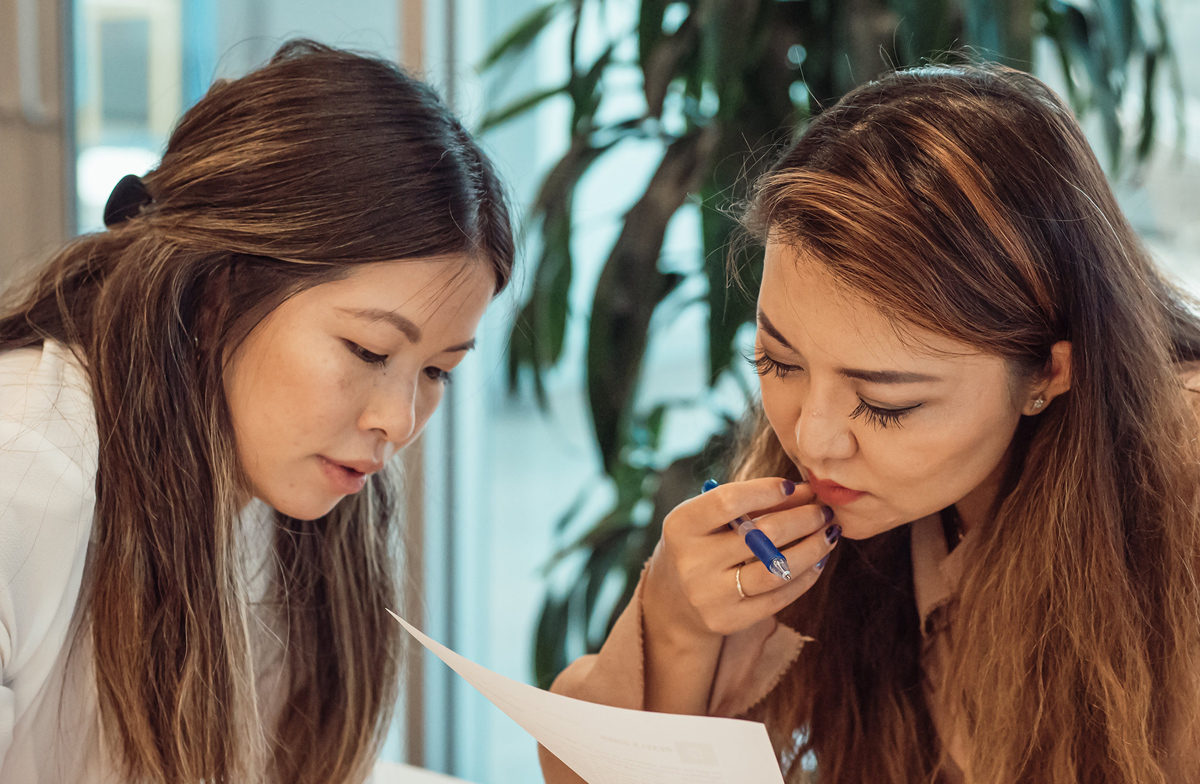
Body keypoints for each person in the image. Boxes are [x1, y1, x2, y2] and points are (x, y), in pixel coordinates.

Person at [540, 63, 1200, 784]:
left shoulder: (1181, 503)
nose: (813, 438)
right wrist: (674, 627)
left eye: (887, 403)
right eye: (778, 360)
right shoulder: (837, 497)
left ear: (1048, 372)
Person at [0, 41, 513, 784]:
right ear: (218, 293)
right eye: (370, 351)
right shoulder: (23, 468)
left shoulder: (282, 487)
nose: (400, 424)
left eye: (437, 371)